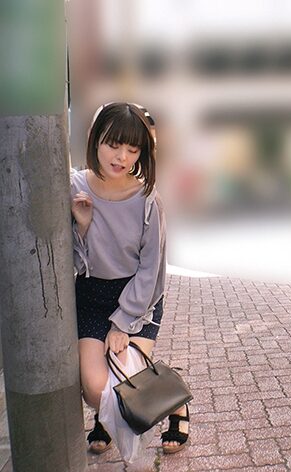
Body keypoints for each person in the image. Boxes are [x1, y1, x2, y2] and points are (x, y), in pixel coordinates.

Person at [71, 102, 189, 455]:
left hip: (138, 297)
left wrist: (123, 322)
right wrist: (82, 227)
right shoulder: (75, 187)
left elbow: (151, 269)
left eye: (133, 149)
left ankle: (175, 404)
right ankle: (110, 413)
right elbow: (67, 262)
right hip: (91, 296)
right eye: (113, 144)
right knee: (95, 387)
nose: (122, 157)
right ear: (95, 139)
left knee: (127, 385)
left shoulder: (147, 199)